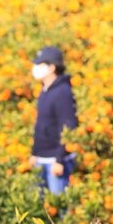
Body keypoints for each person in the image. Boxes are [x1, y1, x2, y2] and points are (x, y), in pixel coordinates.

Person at [29, 46, 79, 196]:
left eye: (40, 64)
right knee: (40, 206)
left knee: (59, 205)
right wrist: (35, 153)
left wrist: (60, 159)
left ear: (51, 67)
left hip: (55, 160)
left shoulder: (62, 92)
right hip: (42, 157)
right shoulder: (45, 90)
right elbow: (42, 125)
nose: (35, 68)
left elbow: (68, 126)